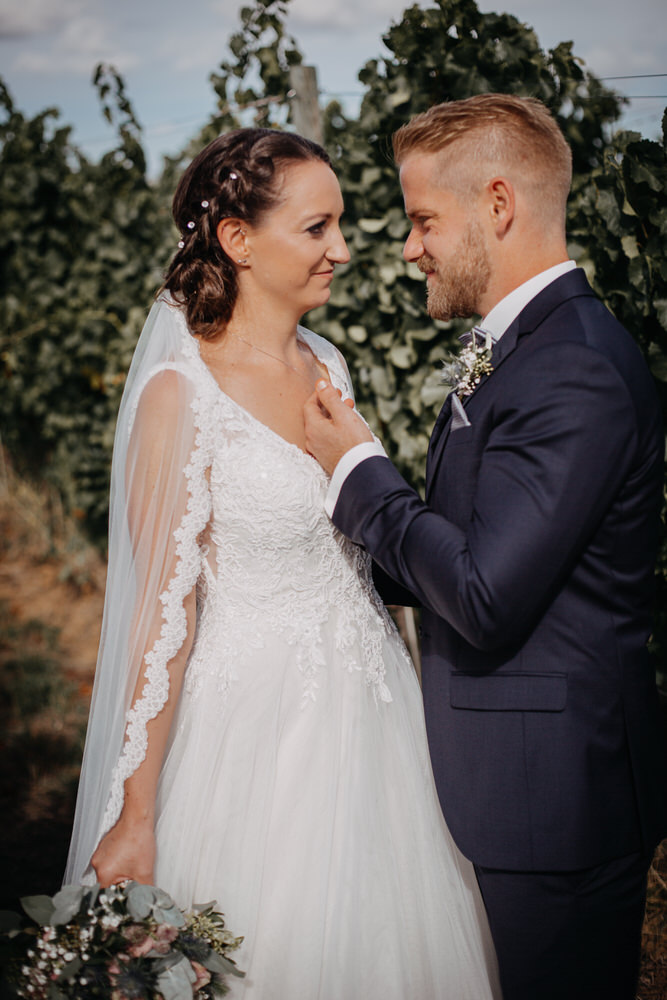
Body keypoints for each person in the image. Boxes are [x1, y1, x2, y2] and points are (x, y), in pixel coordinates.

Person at [64, 127, 500, 999]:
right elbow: (161, 617)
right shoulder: (178, 393)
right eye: (317, 228)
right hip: (257, 736)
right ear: (237, 240)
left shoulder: (325, 362)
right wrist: (135, 811)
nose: (341, 249)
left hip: (375, 714)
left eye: (339, 224)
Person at [304, 94, 667, 1000]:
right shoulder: (517, 350)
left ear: (496, 205)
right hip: (506, 796)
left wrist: (357, 468)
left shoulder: (573, 364)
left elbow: (483, 591)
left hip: (552, 809)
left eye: (423, 219)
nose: (407, 246)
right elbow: (465, 539)